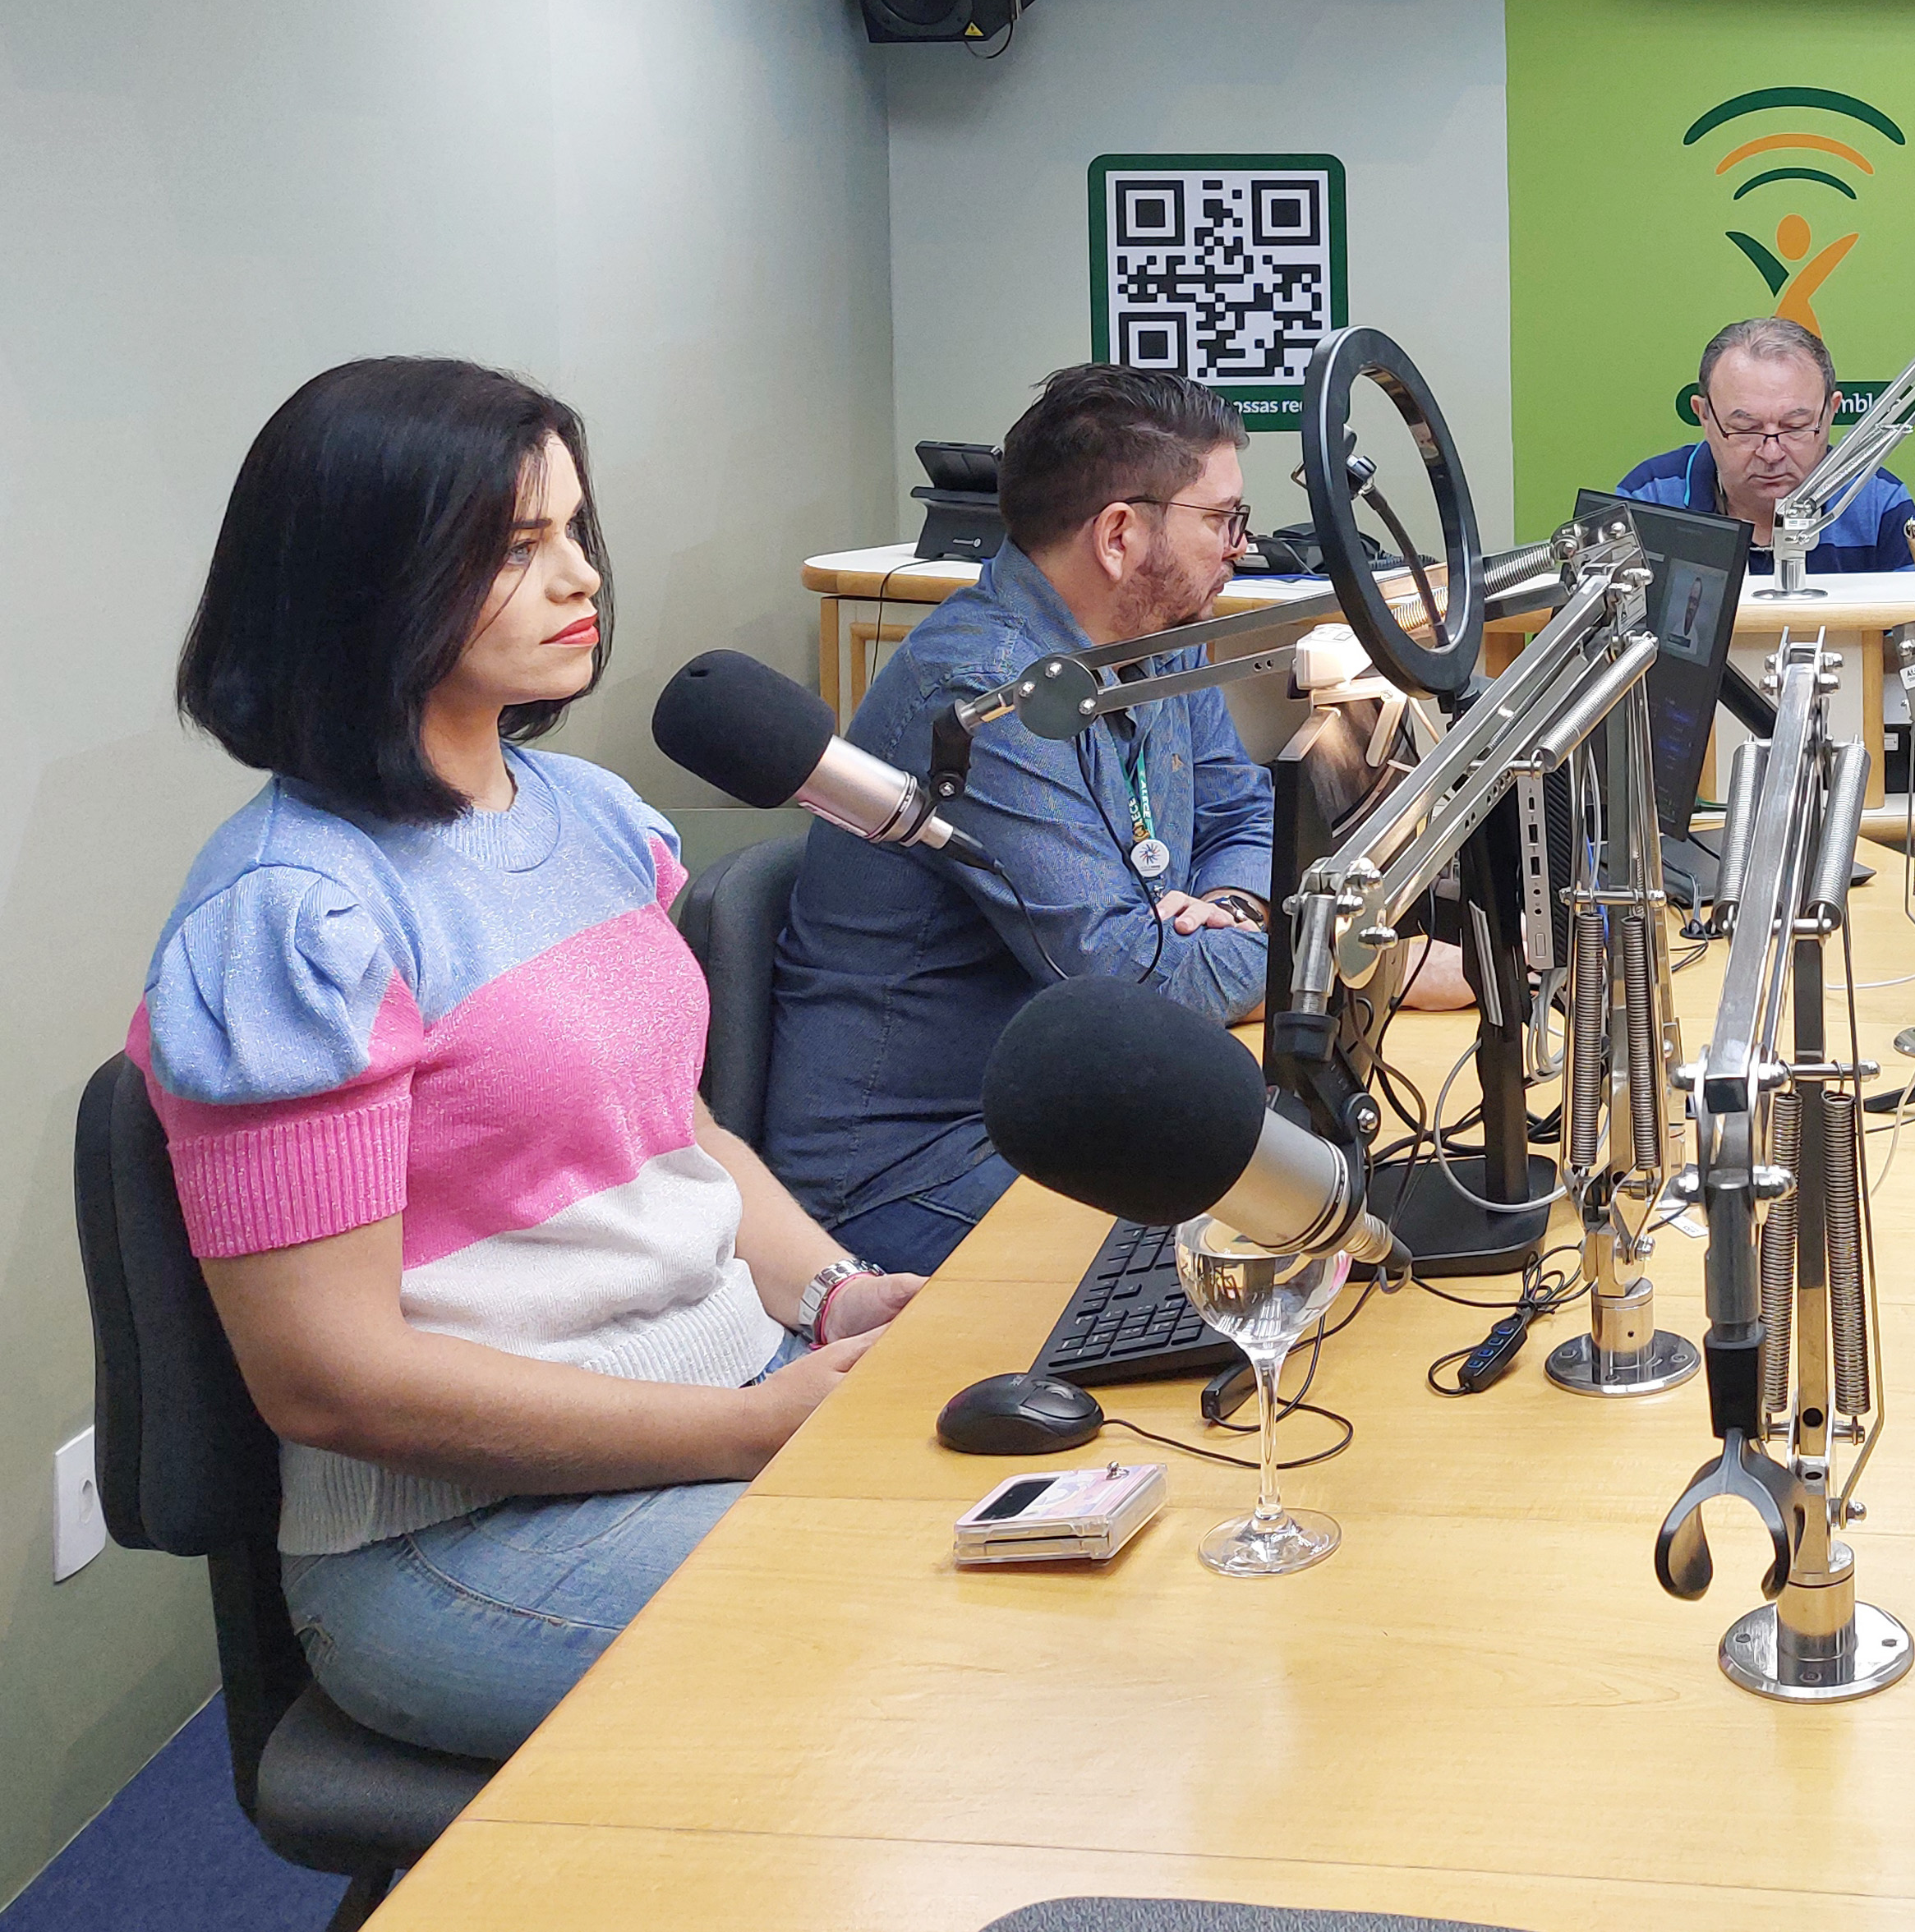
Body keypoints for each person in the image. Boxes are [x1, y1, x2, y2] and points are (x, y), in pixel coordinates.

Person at [139, 359, 920, 1762]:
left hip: (724, 1405)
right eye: (512, 547)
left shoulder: (595, 814)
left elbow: (674, 1134)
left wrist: (836, 1297)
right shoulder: (291, 915)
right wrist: (749, 1434)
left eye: (572, 529)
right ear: (360, 582)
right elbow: (330, 1379)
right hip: (457, 1541)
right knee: (924, 1645)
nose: (581, 577)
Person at [762, 364, 1307, 1272]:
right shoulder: (988, 697)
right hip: (917, 1170)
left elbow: (1243, 815)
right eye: (1222, 520)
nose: (1240, 549)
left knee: (1320, 1190)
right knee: (1267, 1250)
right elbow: (1135, 983)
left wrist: (1234, 910)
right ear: (1120, 536)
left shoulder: (1159, 634)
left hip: (1078, 1107)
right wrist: (1337, 956)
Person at [1618, 316, 1915, 573]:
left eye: (1795, 427)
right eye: (1746, 429)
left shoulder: (1878, 504)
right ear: (1704, 416)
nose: (1772, 454)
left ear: (1831, 412)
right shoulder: (1649, 500)